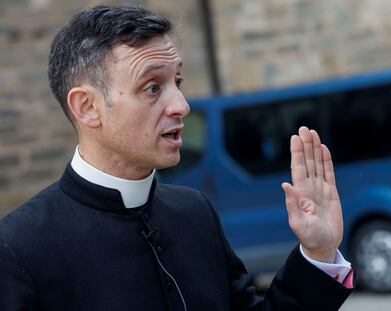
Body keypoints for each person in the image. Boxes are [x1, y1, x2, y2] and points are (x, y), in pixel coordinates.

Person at [0, 5, 354, 310]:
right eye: (152, 88)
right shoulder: (17, 249)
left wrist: (318, 252)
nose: (182, 106)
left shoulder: (195, 213)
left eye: (178, 82)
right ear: (88, 107)